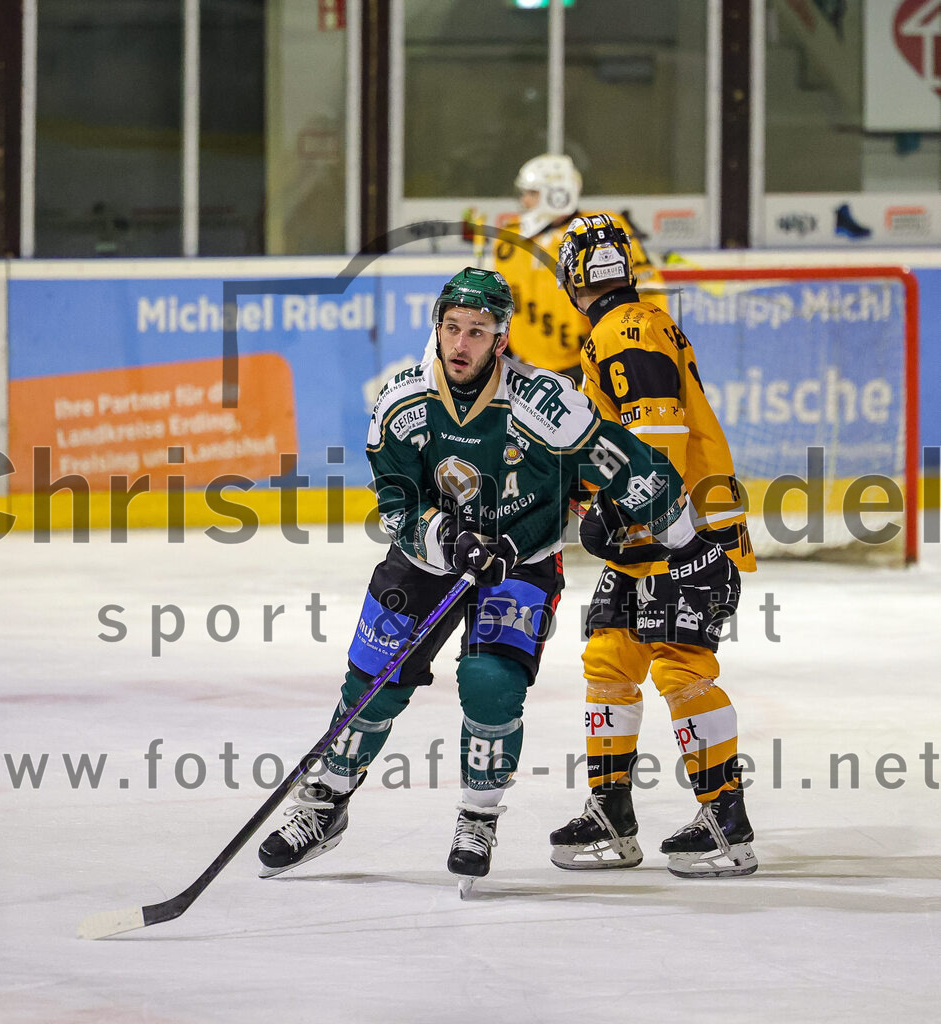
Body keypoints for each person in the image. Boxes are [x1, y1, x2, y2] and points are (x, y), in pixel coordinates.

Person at [257, 267, 722, 892]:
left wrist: (690, 545)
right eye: (452, 328)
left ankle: (478, 818)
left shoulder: (545, 406)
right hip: (427, 561)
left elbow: (627, 463)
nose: (461, 343)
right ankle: (324, 802)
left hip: (520, 562)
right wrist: (448, 539)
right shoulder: (401, 405)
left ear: (501, 340)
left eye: (477, 331)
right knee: (373, 680)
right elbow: (397, 504)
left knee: (490, 681)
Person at [549, 215, 759, 878]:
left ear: (570, 279)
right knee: (611, 656)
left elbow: (658, 435)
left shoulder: (623, 330)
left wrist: (625, 515)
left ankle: (727, 822)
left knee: (679, 665)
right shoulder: (632, 324)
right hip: (652, 530)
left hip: (680, 531)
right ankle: (612, 810)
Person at [493, 153, 664, 385]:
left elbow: (647, 287)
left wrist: (641, 347)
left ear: (559, 194)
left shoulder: (602, 228)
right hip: (528, 373)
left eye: (532, 193)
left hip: (591, 366)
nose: (524, 201)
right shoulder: (508, 239)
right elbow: (500, 302)